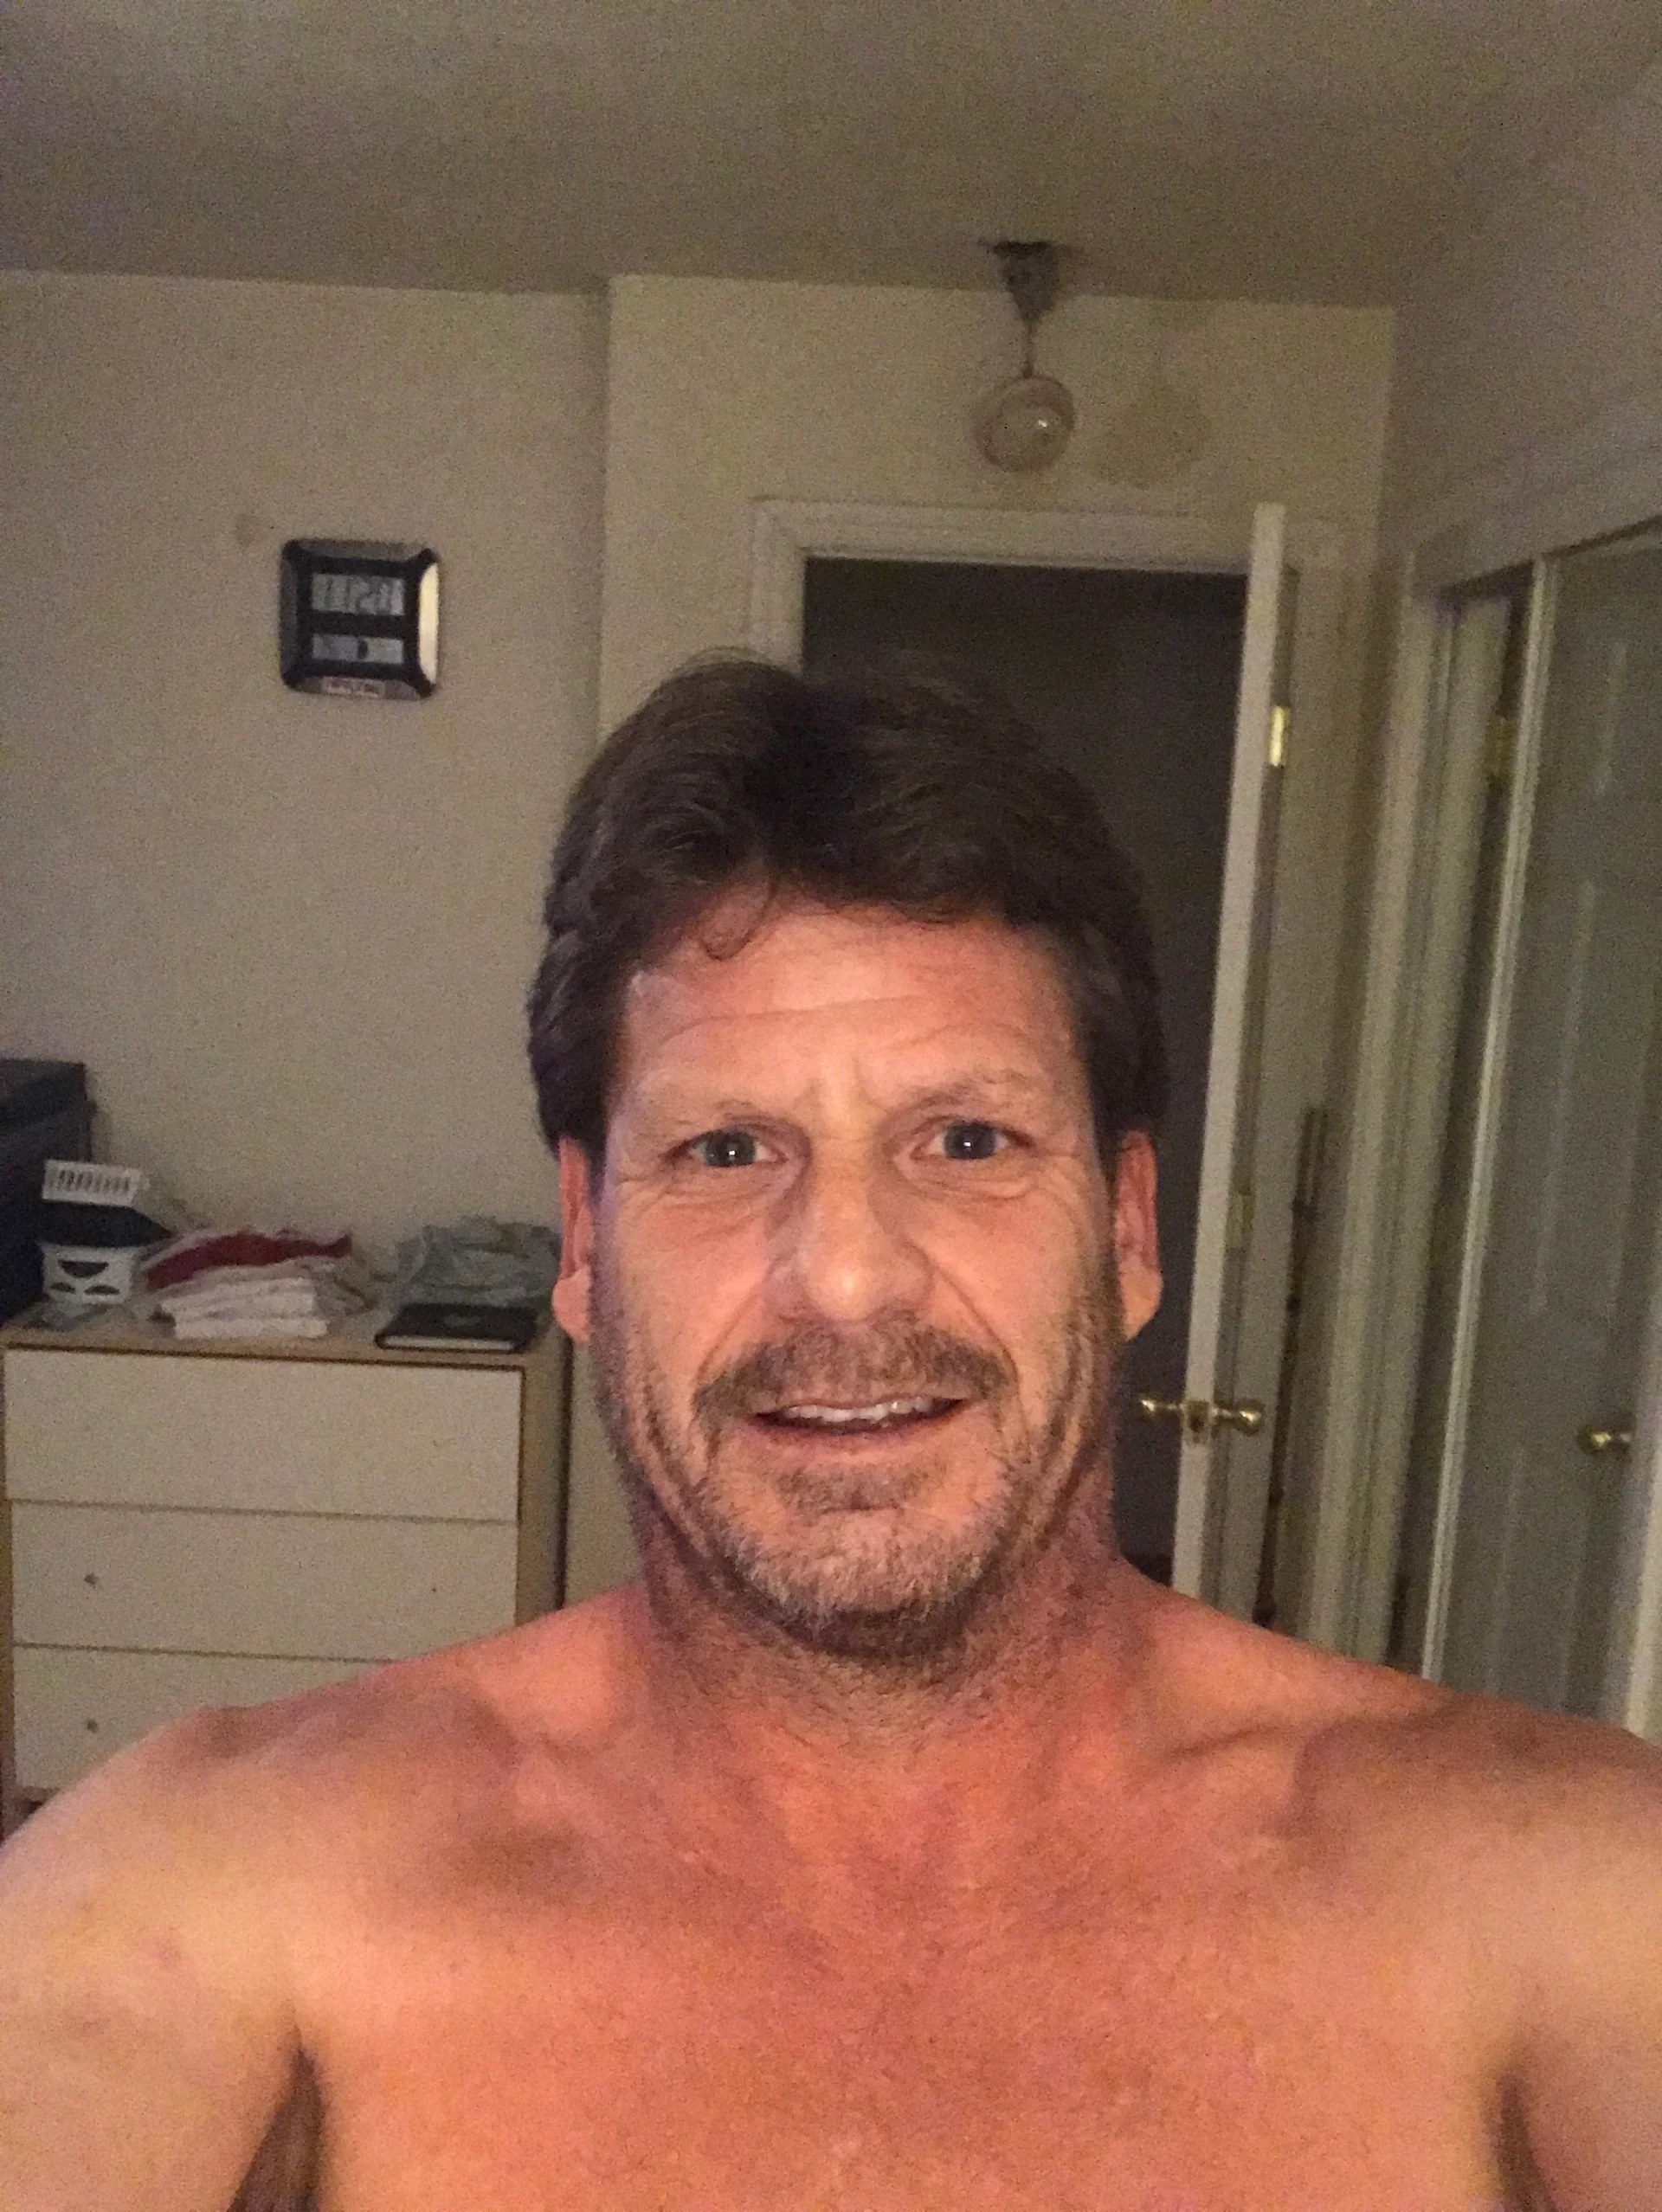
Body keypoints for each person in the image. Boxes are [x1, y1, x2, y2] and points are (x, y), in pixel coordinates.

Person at [2, 658, 1659, 2212]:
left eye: (967, 1138)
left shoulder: (1562, 1898)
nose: (848, 1277)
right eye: (727, 1151)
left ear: (1127, 1228)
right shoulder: (215, 1884)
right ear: (583, 1242)